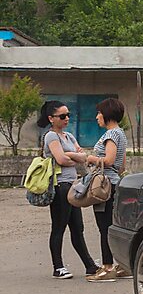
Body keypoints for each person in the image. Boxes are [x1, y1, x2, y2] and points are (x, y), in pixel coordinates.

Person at [36, 100, 100, 280]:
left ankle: (89, 265)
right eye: (62, 116)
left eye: (68, 115)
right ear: (51, 118)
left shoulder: (69, 136)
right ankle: (58, 267)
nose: (66, 119)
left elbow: (82, 156)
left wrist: (70, 155)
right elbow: (61, 160)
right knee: (59, 227)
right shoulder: (51, 136)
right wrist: (73, 156)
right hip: (60, 186)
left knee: (77, 228)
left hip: (73, 185)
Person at [83, 98, 129, 283]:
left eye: (99, 113)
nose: (96, 117)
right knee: (114, 225)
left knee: (105, 227)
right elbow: (121, 164)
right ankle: (122, 265)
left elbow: (109, 160)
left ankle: (107, 267)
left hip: (104, 186)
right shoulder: (121, 134)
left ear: (107, 114)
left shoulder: (110, 135)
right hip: (115, 182)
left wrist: (91, 158)